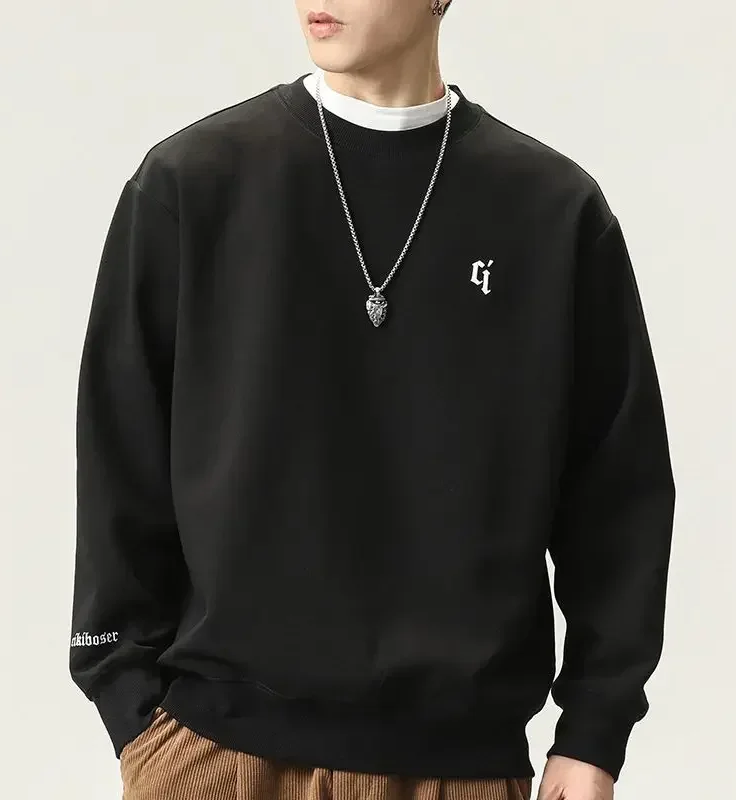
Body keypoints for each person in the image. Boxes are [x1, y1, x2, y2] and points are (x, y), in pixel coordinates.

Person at [69, 2, 676, 799]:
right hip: (214, 755)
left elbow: (619, 493)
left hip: (456, 769)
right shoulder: (193, 182)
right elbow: (120, 453)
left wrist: (594, 732)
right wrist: (130, 704)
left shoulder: (551, 210)